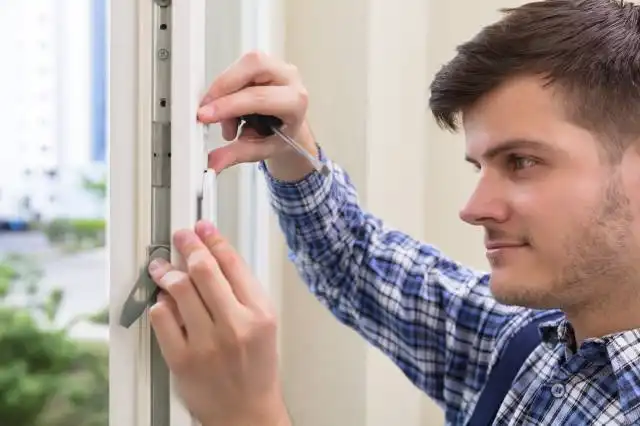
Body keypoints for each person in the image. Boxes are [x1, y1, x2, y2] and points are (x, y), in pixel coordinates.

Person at [146, 0, 640, 425]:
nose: (473, 209)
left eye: (523, 162)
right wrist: (288, 146)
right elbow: (356, 263)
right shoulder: (526, 342)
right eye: (479, 167)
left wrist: (249, 415)